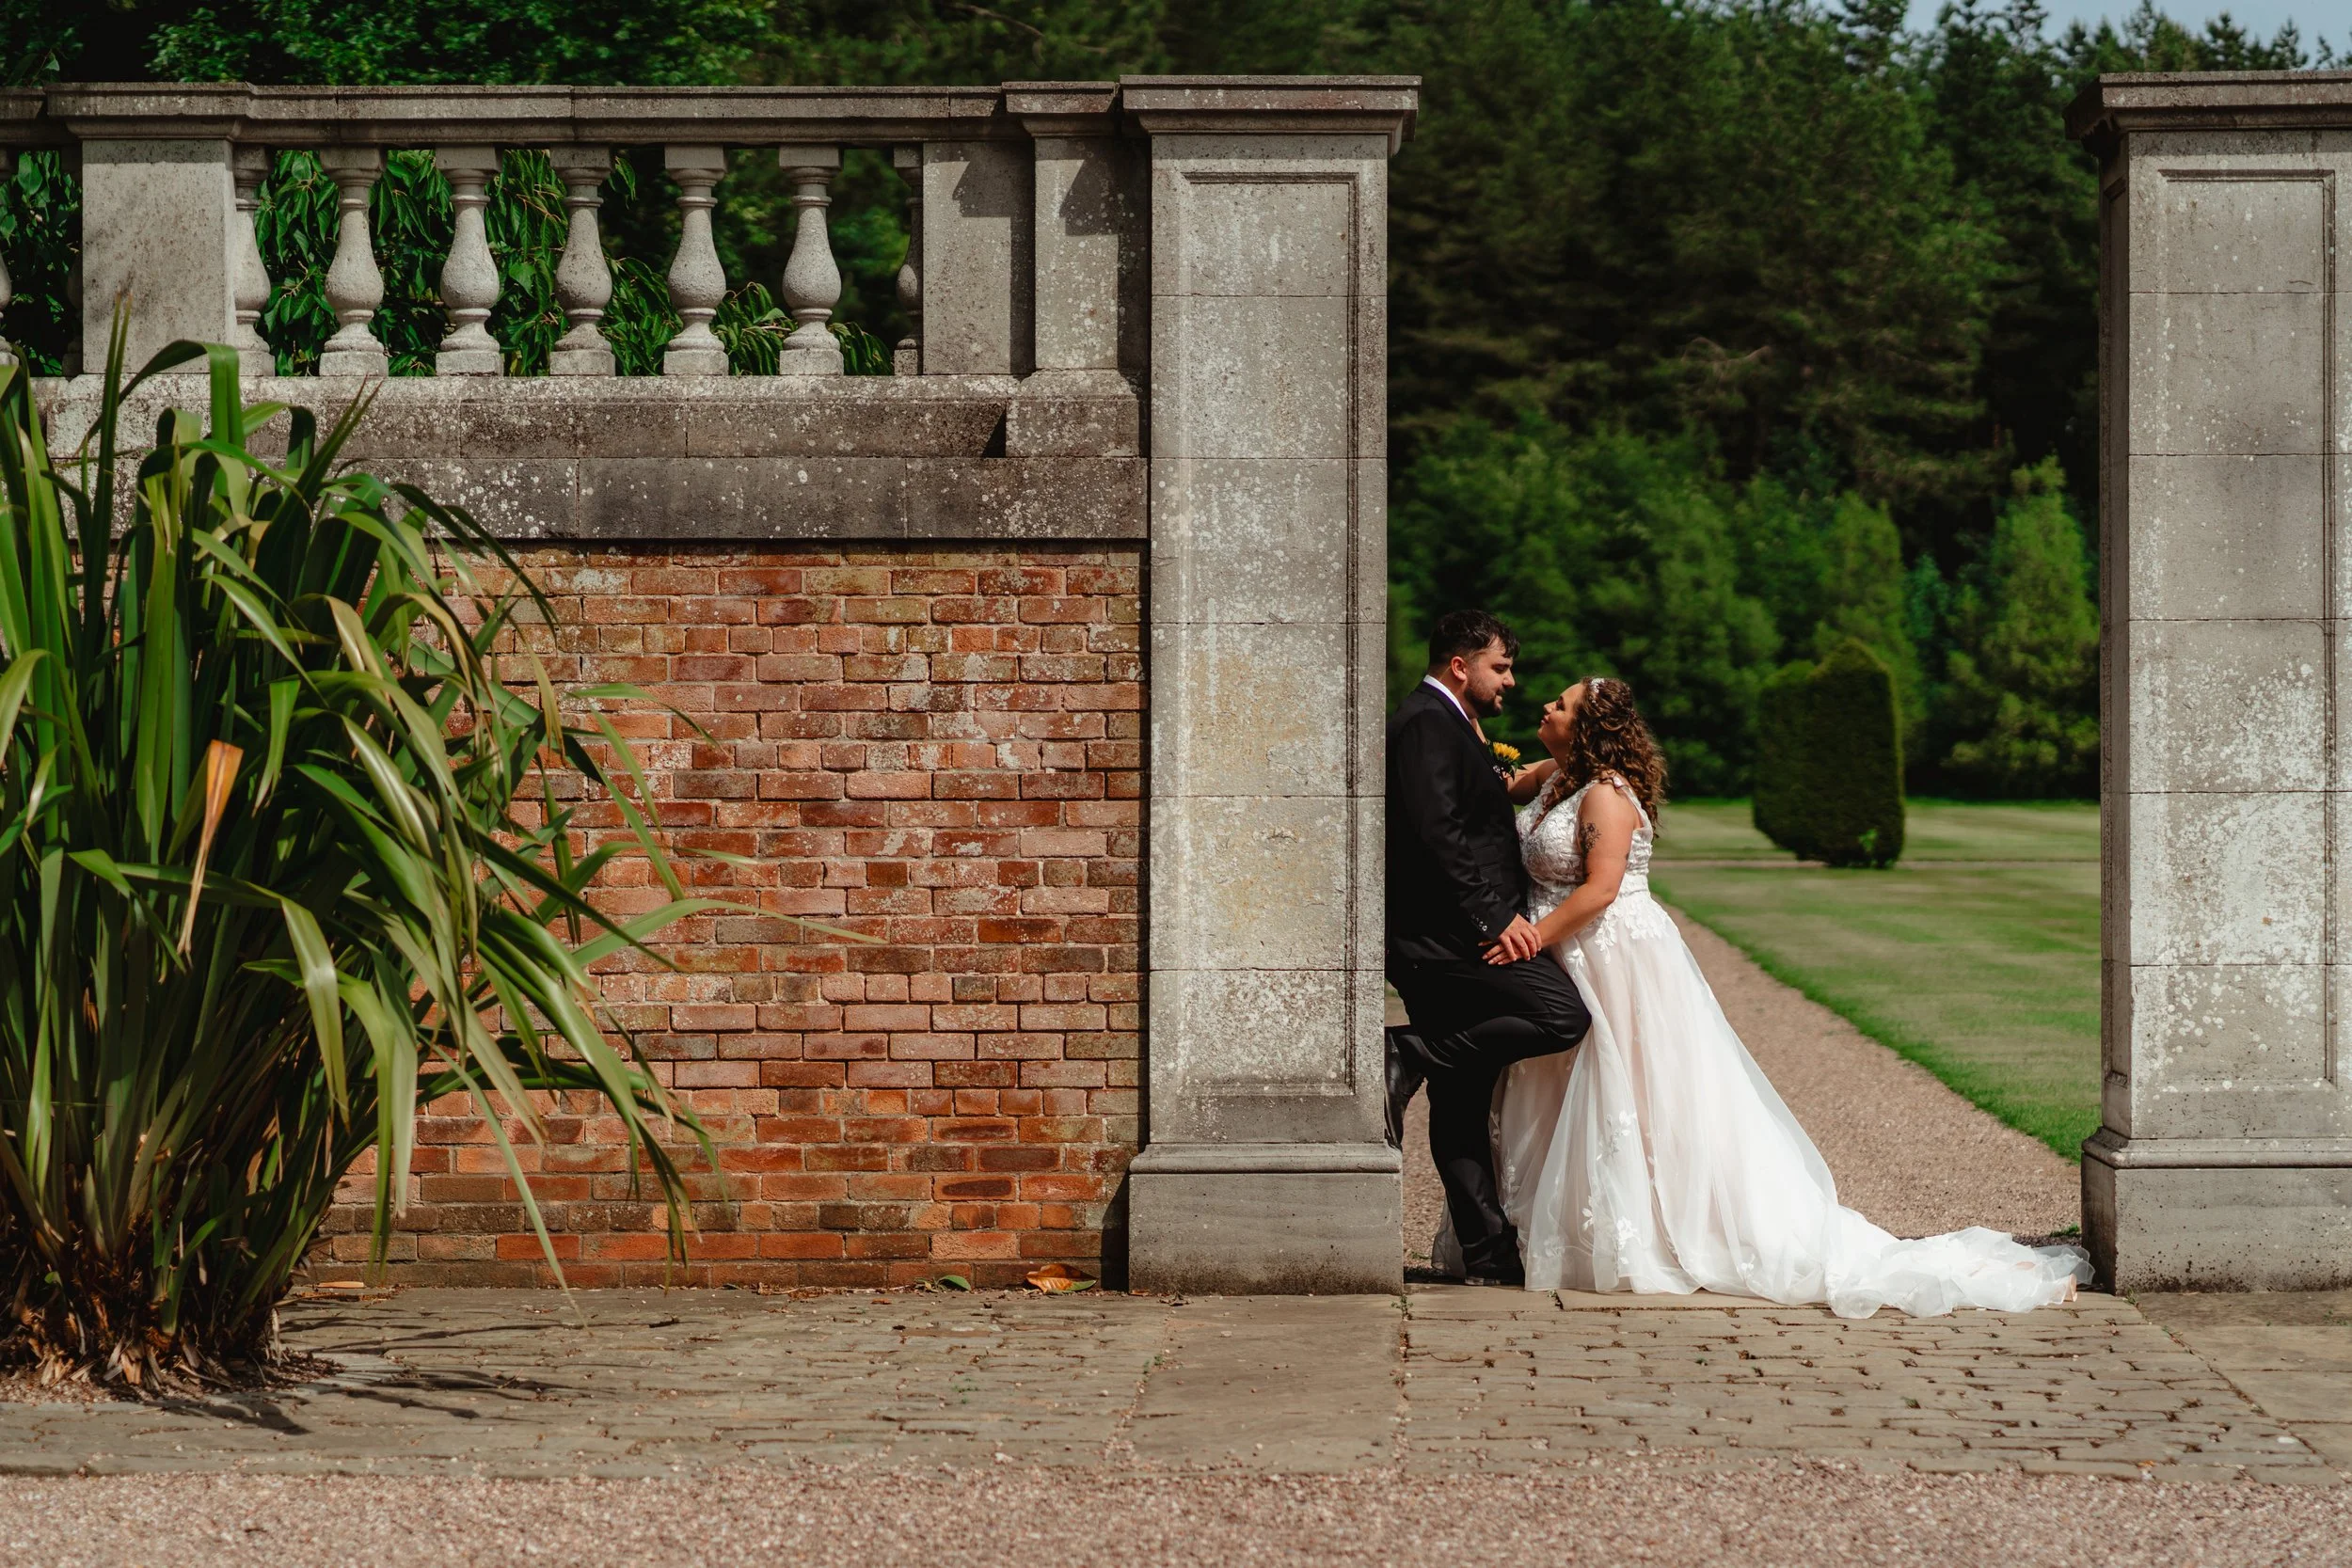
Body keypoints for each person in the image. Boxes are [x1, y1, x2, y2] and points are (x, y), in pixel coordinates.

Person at [1475, 674, 2088, 1316]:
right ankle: (1559, 1227)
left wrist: (1529, 939)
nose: (1545, 706)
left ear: (1588, 728)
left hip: (1613, 957)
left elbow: (1600, 889)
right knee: (1569, 1088)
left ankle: (1654, 1232)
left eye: (1561, 704)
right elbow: (1494, 780)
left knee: (1631, 1092)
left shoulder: (1604, 796)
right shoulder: (1556, 775)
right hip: (1573, 957)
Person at [1385, 610, 1591, 1287]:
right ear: (1459, 666)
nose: (1511, 679)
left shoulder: (1452, 724)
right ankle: (1409, 1049)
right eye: (1500, 666)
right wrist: (1492, 917)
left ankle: (1488, 1252)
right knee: (1563, 1015)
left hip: (1459, 935)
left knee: (1462, 1095)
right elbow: (1434, 832)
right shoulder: (1424, 722)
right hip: (1449, 941)